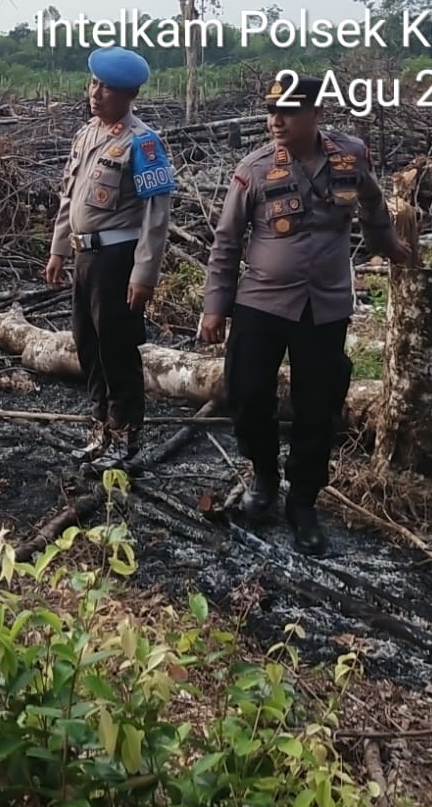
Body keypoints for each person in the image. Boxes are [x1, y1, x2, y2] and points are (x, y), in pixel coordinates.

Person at [198, 74, 411, 556]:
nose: (277, 121)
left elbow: (375, 204)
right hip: (261, 302)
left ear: (316, 113)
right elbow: (228, 241)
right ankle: (264, 476)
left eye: (288, 112)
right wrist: (215, 307)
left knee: (319, 406)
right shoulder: (253, 170)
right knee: (247, 393)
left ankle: (304, 502)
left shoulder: (349, 156)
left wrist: (389, 246)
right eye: (272, 112)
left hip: (326, 304)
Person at [45, 46, 174, 471]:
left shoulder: (143, 143)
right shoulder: (86, 135)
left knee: (117, 350)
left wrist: (144, 273)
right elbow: (70, 197)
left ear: (130, 94)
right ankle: (99, 429)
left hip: (118, 259)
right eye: (94, 84)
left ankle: (125, 437)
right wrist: (58, 248)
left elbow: (157, 216)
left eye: (108, 88)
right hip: (85, 256)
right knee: (88, 344)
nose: (97, 93)